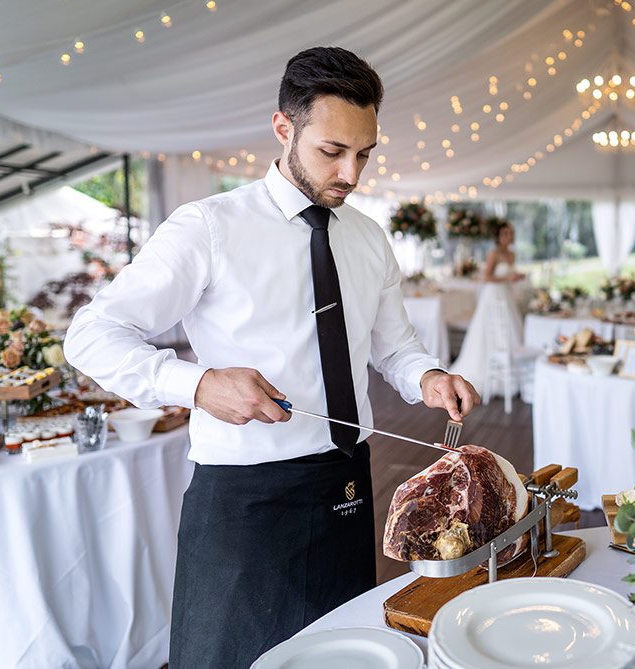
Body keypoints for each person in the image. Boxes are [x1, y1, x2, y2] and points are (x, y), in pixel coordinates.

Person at [64, 47, 480, 668]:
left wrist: (429, 377)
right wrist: (199, 385)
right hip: (244, 499)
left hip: (347, 481)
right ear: (283, 128)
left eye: (364, 153)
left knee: (346, 656)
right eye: (332, 152)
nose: (351, 174)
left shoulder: (368, 237)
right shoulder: (207, 226)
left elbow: (396, 348)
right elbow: (92, 333)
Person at [450, 221, 527, 398]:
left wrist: (514, 278)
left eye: (510, 233)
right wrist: (508, 277)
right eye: (505, 233)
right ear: (498, 236)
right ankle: (491, 373)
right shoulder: (494, 253)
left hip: (506, 295)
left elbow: (508, 276)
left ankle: (512, 377)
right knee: (490, 330)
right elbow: (487, 277)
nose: (509, 237)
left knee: (510, 330)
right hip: (494, 295)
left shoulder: (512, 254)